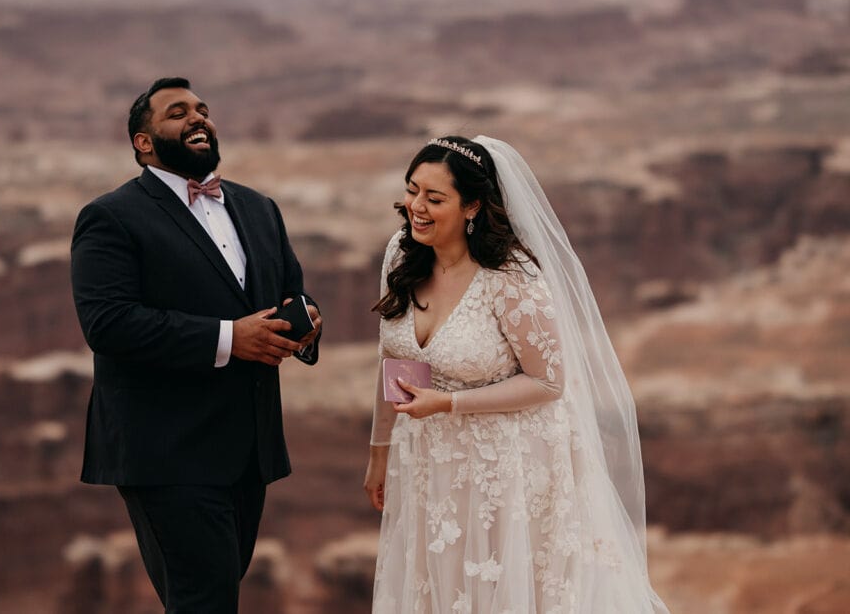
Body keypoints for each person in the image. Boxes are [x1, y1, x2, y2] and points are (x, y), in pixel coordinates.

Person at [363, 136, 668, 613]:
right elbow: (395, 361)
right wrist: (379, 451)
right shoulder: (401, 255)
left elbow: (548, 382)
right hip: (425, 462)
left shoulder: (510, 276)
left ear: (473, 207)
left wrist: (447, 403)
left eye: (434, 198)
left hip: (506, 471)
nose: (416, 207)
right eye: (412, 190)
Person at [70, 77, 322, 614]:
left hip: (247, 449)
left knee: (212, 595)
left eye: (203, 109)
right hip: (165, 449)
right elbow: (109, 324)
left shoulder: (259, 209)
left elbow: (288, 290)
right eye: (177, 112)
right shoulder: (111, 217)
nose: (197, 118)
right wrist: (232, 337)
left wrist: (304, 321)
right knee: (204, 600)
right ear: (143, 142)